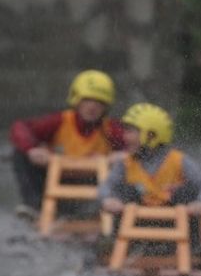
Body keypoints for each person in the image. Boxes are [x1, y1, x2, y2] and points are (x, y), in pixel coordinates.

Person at [8, 70, 125, 220]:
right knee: (20, 153)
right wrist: (32, 149)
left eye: (99, 102)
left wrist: (123, 155)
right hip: (57, 180)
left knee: (129, 165)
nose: (92, 107)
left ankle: (114, 216)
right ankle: (35, 207)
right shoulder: (60, 121)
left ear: (106, 106)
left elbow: (139, 147)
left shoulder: (111, 129)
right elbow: (21, 127)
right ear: (77, 100)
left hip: (93, 185)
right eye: (87, 100)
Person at [98, 103, 201, 245]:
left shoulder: (178, 160)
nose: (125, 137)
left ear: (151, 135)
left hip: (173, 224)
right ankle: (118, 248)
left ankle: (192, 250)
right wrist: (107, 199)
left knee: (188, 192)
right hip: (137, 226)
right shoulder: (125, 163)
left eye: (131, 131)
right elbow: (106, 186)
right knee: (123, 191)